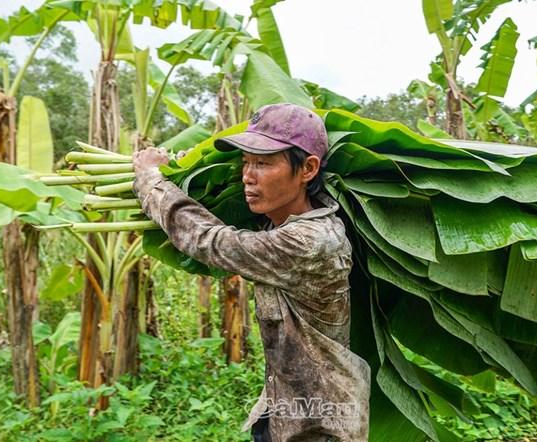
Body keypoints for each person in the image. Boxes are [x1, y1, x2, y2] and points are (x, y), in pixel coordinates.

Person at [132, 103, 371, 442]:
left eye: (263, 163)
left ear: (308, 169)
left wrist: (151, 180)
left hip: (318, 425)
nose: (247, 175)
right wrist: (193, 174)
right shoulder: (285, 222)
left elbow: (211, 241)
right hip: (284, 408)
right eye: (245, 162)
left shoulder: (309, 242)